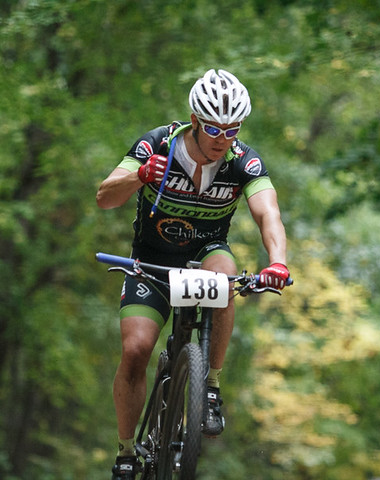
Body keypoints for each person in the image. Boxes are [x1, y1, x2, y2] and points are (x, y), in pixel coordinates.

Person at [96, 69, 289, 479]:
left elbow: (267, 211)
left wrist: (278, 261)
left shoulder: (243, 161)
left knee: (226, 275)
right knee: (135, 352)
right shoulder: (158, 144)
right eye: (213, 128)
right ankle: (126, 452)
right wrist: (139, 175)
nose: (223, 138)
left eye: (232, 129)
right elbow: (104, 197)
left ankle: (211, 387)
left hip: (205, 254)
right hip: (151, 262)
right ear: (195, 119)